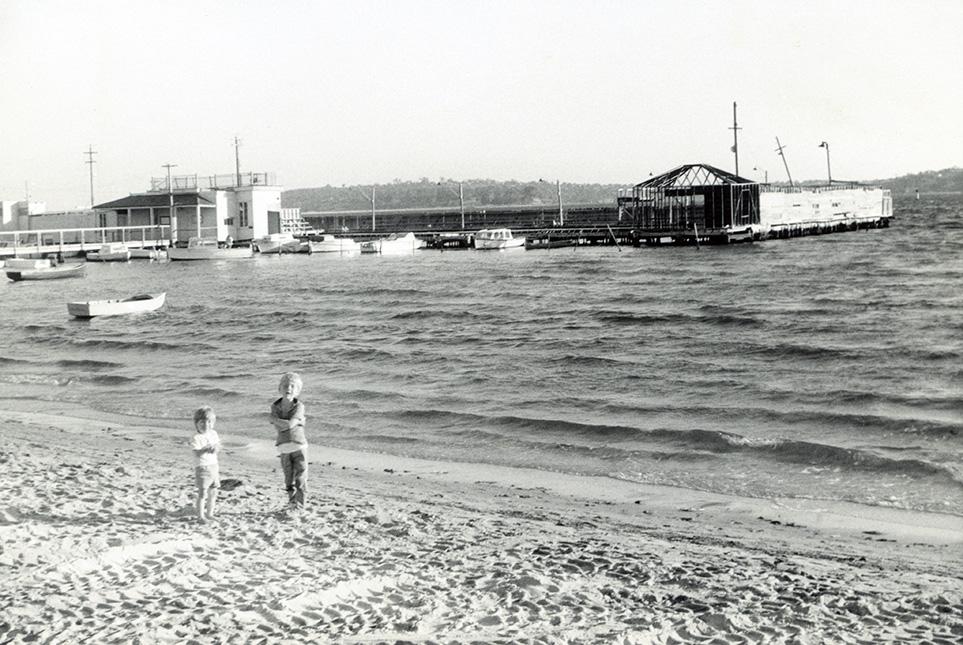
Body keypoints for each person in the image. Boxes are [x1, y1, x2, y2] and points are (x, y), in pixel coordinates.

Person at [270, 372, 307, 510]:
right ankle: (292, 503)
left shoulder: (299, 406)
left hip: (299, 445)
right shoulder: (275, 407)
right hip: (283, 446)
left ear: (297, 391)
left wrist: (275, 420)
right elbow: (279, 424)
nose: (289, 388)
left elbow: (289, 425)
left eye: (293, 386)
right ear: (279, 388)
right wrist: (296, 423)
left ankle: (301, 505)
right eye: (285, 385)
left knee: (301, 476)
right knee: (288, 478)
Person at [190, 406, 221, 523]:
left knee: (213, 492)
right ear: (196, 423)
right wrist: (205, 449)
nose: (206, 425)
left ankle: (210, 513)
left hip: (213, 465)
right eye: (202, 422)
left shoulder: (213, 434)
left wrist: (215, 448)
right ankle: (200, 516)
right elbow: (196, 453)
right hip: (202, 467)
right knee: (202, 492)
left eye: (209, 422)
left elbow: (218, 446)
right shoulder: (196, 437)